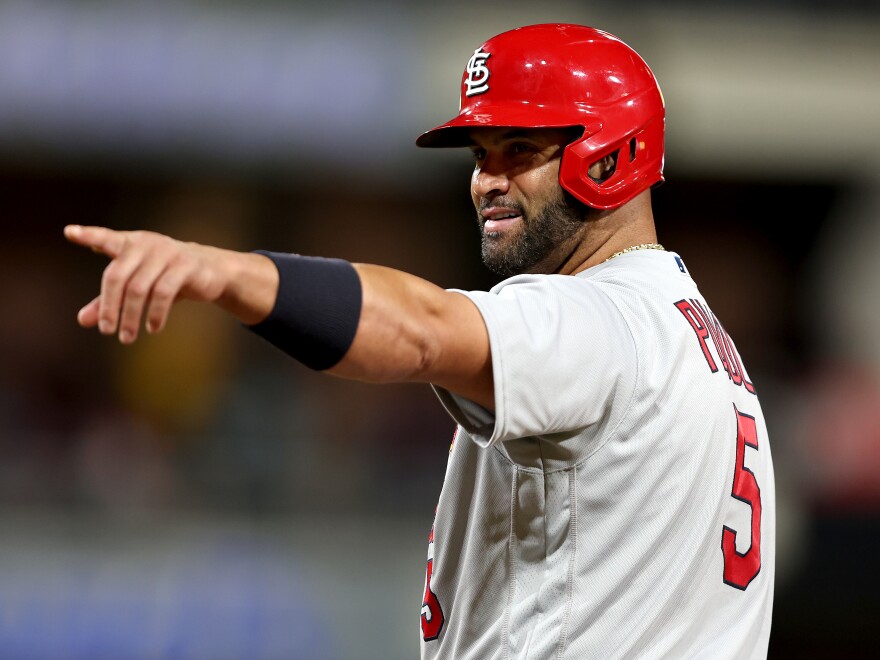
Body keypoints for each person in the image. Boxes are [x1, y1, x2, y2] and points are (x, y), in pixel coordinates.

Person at [66, 23, 775, 659]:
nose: (486, 182)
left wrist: (229, 273)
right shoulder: (691, 334)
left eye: (519, 151)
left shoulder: (599, 319)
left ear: (608, 156)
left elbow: (425, 330)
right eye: (481, 154)